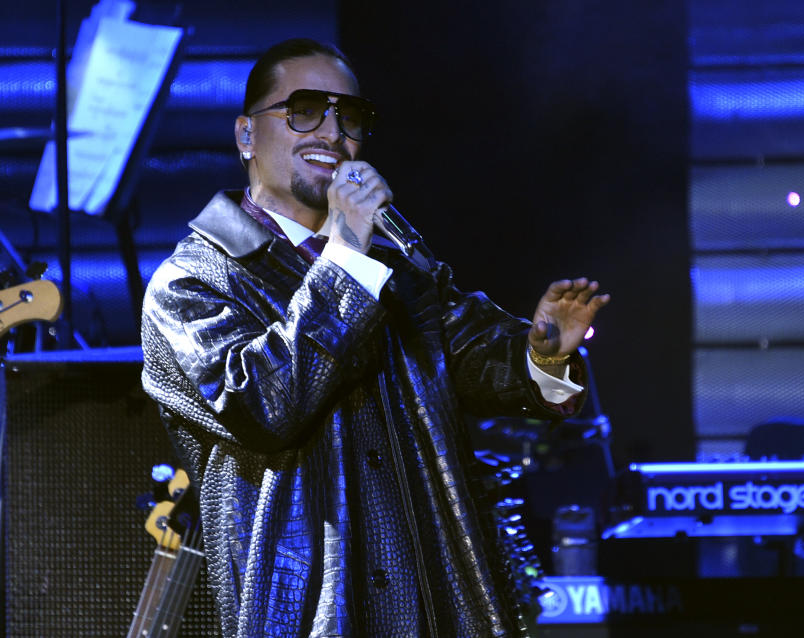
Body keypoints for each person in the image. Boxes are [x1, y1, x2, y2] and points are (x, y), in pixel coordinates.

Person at [140, 38, 610, 638]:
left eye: (350, 116)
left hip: (438, 602)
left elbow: (473, 354)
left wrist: (542, 352)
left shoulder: (396, 268)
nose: (333, 133)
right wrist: (347, 260)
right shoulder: (193, 283)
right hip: (306, 612)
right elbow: (263, 405)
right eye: (305, 110)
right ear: (246, 136)